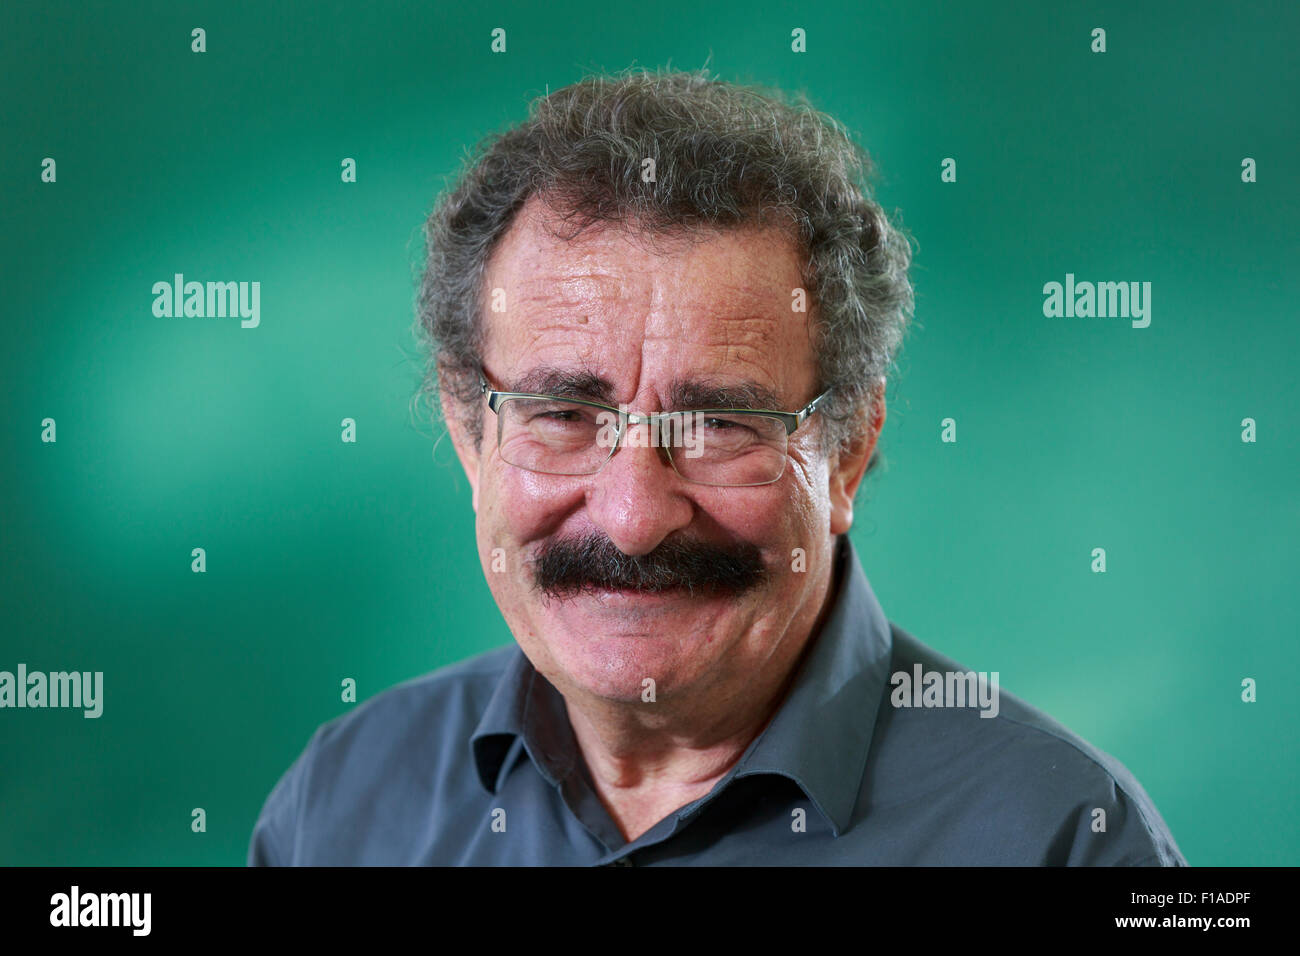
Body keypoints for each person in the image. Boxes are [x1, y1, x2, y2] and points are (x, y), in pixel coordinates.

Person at [248, 68, 1185, 866]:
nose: (631, 517)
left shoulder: (1061, 838)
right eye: (566, 415)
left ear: (848, 449)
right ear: (468, 432)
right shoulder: (337, 810)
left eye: (720, 427)